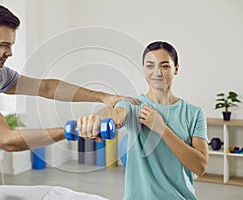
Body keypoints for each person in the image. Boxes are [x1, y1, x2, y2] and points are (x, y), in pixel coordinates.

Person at [0, 4, 140, 200]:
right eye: (3, 45)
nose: (10, 52)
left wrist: (102, 97)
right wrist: (73, 130)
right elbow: (6, 139)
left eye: (11, 45)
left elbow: (46, 88)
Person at [77, 41, 209, 199]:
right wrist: (96, 119)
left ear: (176, 68)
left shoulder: (194, 113)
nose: (157, 72)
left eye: (165, 66)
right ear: (143, 69)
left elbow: (200, 167)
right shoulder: (133, 105)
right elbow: (115, 113)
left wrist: (161, 129)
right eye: (150, 66)